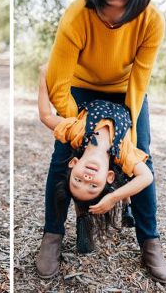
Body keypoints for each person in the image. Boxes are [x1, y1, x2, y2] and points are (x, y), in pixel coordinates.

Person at [34, 0, 166, 284]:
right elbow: (59, 83)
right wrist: (78, 130)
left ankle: (150, 240)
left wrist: (129, 145)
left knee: (144, 158)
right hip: (79, 88)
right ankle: (52, 234)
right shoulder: (77, 14)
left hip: (126, 93)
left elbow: (139, 83)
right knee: (63, 153)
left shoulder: (151, 21)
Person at [37, 69, 153, 253]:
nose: (87, 178)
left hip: (94, 82)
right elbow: (146, 177)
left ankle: (88, 215)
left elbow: (45, 116)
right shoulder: (122, 151)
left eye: (78, 180)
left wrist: (43, 77)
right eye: (92, 186)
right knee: (129, 173)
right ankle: (88, 219)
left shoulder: (77, 133)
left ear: (73, 164)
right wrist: (113, 198)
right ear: (108, 176)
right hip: (126, 89)